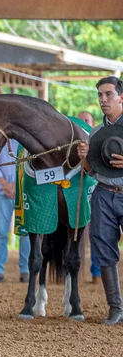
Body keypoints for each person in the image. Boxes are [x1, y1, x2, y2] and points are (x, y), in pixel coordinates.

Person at [77, 76, 123, 325]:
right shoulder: (96, 133)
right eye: (100, 96)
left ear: (121, 97)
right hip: (104, 194)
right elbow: (90, 170)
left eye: (108, 94)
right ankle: (116, 308)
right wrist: (84, 157)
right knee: (103, 249)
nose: (103, 100)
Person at [0, 138, 30, 283]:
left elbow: (30, 162)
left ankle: (26, 270)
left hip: (24, 190)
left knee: (25, 231)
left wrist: (17, 184)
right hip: (1, 190)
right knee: (0, 231)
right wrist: (4, 184)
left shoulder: (26, 138)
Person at [78, 111, 101, 281]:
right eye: (81, 121)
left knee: (97, 234)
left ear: (92, 123)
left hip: (97, 193)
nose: (84, 123)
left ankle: (97, 272)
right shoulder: (71, 143)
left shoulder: (100, 139)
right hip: (76, 195)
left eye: (87, 120)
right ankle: (74, 271)